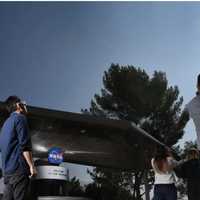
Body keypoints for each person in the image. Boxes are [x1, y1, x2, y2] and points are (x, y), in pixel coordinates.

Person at [0, 96, 37, 200]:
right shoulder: (20, 118)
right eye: (23, 103)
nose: (25, 105)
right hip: (19, 170)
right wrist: (31, 166)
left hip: (7, 173)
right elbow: (24, 146)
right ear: (18, 105)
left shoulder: (5, 124)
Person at [177, 74, 200, 149]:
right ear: (197, 86)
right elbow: (179, 126)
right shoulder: (191, 106)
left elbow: (178, 127)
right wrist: (166, 143)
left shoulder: (190, 106)